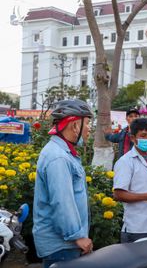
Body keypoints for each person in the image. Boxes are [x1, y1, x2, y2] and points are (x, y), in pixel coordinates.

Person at [33, 99, 93, 268]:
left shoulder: (62, 153)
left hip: (65, 244)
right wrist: (77, 236)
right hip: (62, 246)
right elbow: (62, 202)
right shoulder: (58, 157)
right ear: (74, 126)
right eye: (87, 123)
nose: (89, 128)